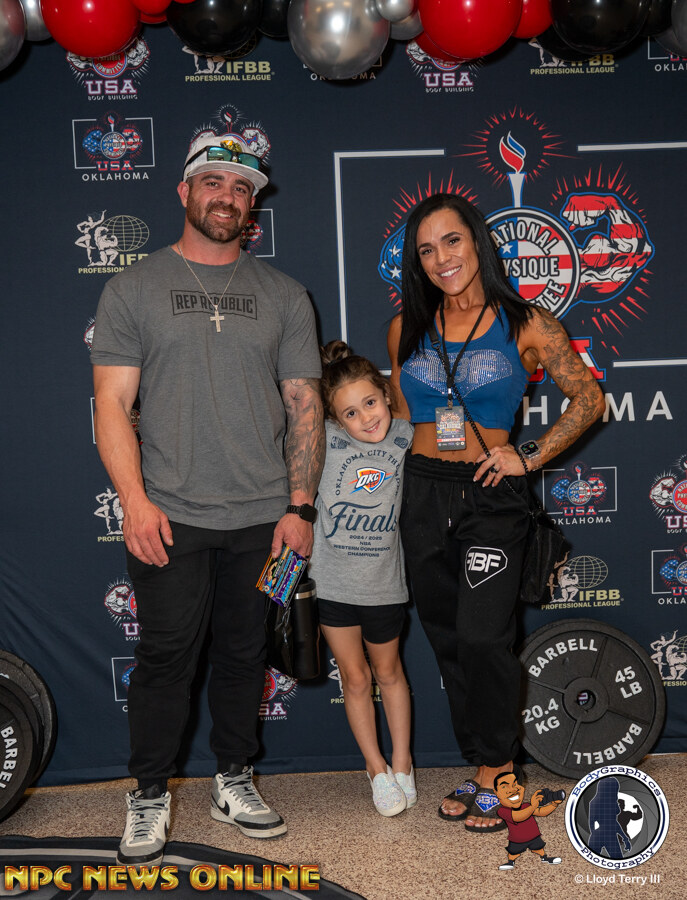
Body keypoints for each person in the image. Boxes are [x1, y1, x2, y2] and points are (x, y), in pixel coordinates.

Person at [91, 131, 324, 865]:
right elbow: (110, 403)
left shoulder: (285, 295)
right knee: (165, 656)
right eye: (214, 182)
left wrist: (301, 508)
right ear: (185, 191)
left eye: (241, 188)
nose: (227, 196)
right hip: (170, 514)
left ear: (253, 206)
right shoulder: (133, 287)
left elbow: (305, 405)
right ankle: (148, 792)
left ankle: (233, 777)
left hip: (265, 519)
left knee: (245, 653)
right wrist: (134, 501)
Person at [387, 192, 604, 834]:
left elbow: (589, 400)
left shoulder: (527, 324)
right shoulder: (406, 328)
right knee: (448, 638)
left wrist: (528, 456)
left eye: (451, 241)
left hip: (490, 494)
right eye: (426, 250)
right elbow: (400, 416)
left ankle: (499, 772)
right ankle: (482, 760)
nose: (441, 259)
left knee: (484, 637)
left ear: (478, 242)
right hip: (423, 491)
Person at [307, 341, 415, 817]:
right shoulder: (323, 441)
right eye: (351, 412)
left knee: (389, 673)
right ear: (336, 419)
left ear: (386, 396)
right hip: (332, 584)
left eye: (371, 402)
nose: (366, 417)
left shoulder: (405, 436)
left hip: (383, 585)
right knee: (354, 678)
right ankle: (375, 769)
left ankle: (402, 762)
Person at [493, 770, 563, 870]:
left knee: (539, 848)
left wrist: (554, 804)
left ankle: (544, 858)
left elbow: (541, 812)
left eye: (515, 784)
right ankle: (510, 862)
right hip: (517, 840)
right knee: (513, 852)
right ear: (496, 793)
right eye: (504, 787)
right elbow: (518, 817)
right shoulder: (503, 811)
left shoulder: (526, 806)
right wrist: (533, 806)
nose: (512, 790)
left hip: (533, 837)